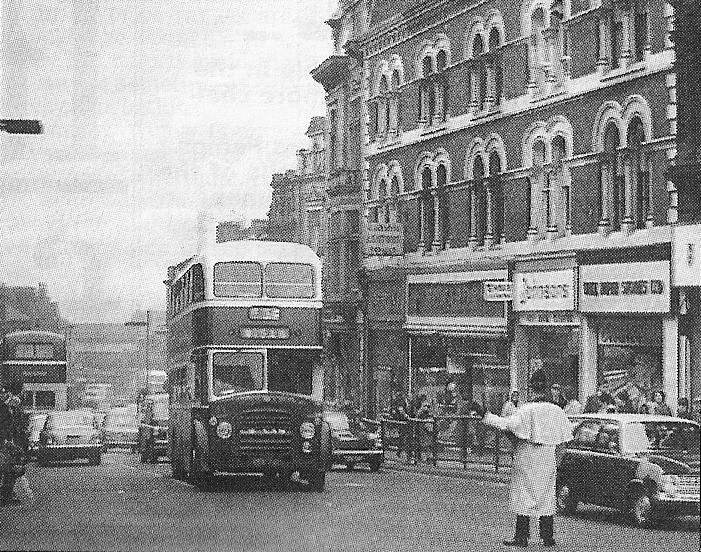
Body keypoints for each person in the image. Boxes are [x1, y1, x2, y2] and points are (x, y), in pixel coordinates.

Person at [482, 369, 572, 548]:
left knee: (523, 495)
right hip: (547, 457)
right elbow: (565, 441)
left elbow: (507, 425)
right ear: (547, 389)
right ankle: (547, 537)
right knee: (546, 497)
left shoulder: (527, 409)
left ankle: (521, 536)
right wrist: (557, 462)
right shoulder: (557, 411)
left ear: (531, 389)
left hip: (527, 457)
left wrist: (486, 415)